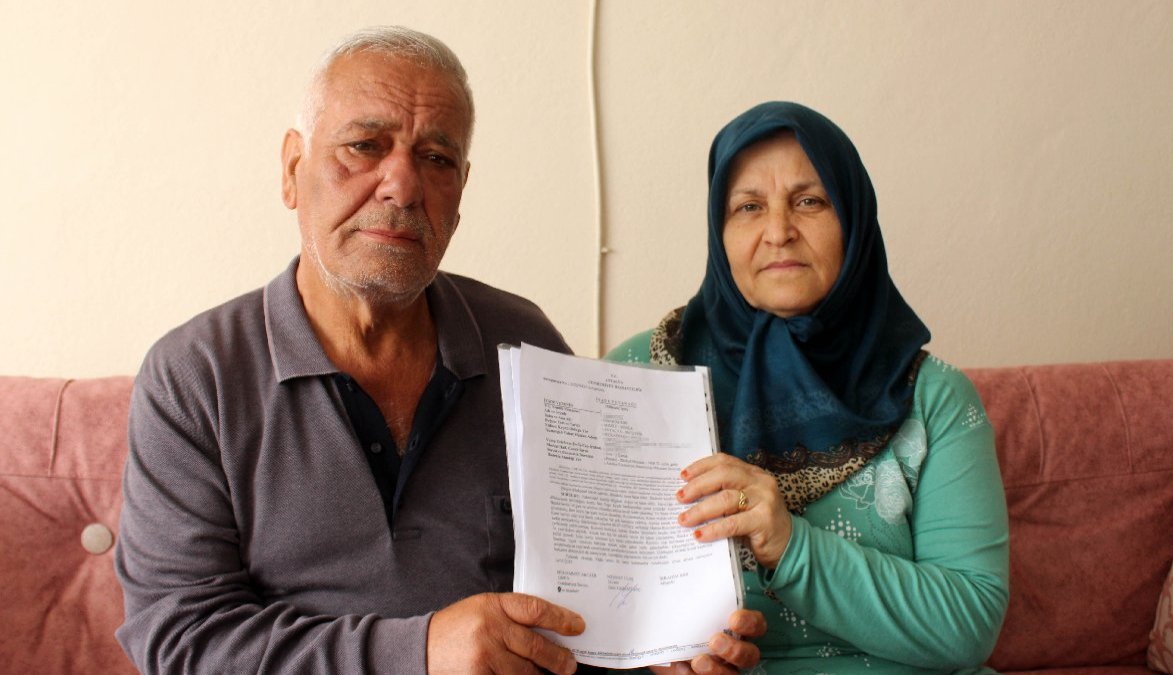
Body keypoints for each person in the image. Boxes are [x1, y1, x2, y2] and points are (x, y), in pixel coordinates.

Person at [114, 26, 763, 675]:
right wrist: (419, 651)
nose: (402, 185)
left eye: (436, 158)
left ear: (461, 190)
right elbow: (179, 640)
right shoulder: (195, 376)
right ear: (292, 170)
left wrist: (656, 654)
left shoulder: (523, 341)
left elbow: (595, 600)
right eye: (364, 146)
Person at [607, 101, 1010, 674]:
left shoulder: (932, 397)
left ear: (854, 218)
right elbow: (584, 586)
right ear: (719, 231)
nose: (779, 232)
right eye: (749, 207)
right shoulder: (635, 378)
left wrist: (792, 545)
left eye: (810, 202)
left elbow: (970, 624)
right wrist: (651, 660)